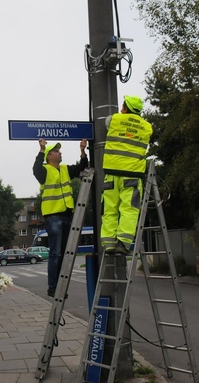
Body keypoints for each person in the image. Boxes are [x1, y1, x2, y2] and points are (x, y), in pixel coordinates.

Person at [33, 139, 89, 297]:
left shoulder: (64, 169)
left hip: (67, 215)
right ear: (50, 156)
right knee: (55, 254)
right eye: (57, 151)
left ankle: (60, 286)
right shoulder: (44, 170)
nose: (60, 152)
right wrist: (41, 150)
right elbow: (35, 170)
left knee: (65, 253)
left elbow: (83, 167)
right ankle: (53, 287)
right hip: (53, 216)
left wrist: (82, 150)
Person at [101, 95, 153, 255]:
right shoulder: (147, 127)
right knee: (129, 209)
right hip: (132, 175)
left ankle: (109, 244)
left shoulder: (114, 120)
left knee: (109, 210)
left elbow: (107, 123)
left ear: (124, 108)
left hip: (111, 174)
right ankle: (123, 244)